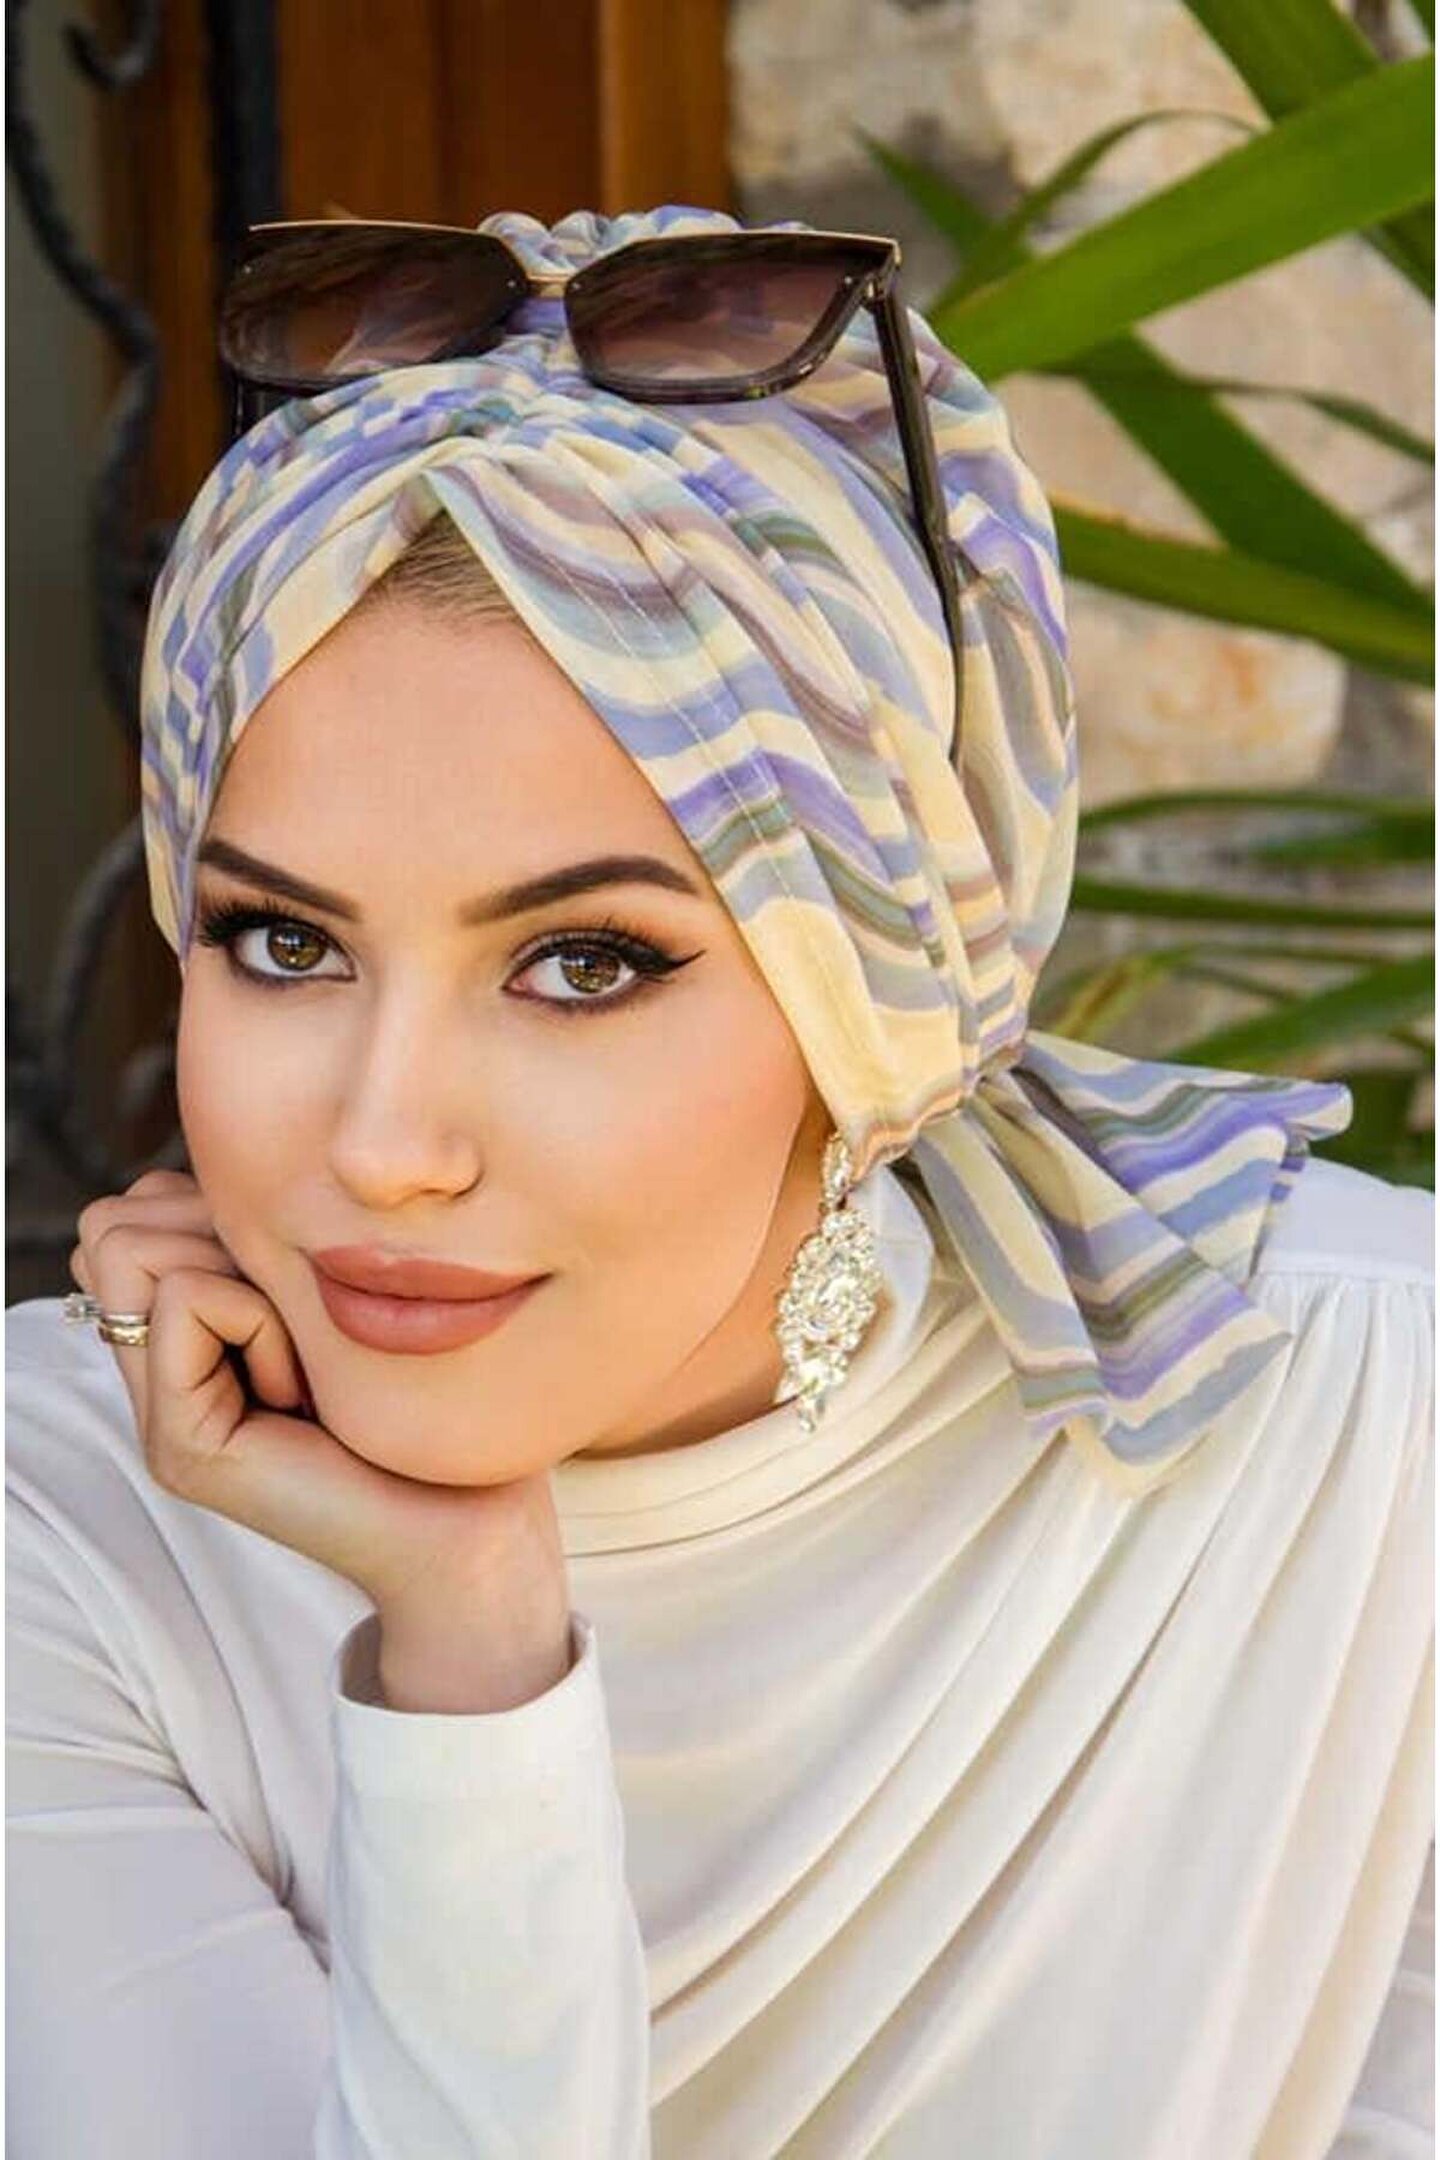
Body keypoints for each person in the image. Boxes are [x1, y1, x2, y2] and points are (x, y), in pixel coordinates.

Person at [6, 203, 1432, 2159]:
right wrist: (469, 1635)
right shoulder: (59, 1526)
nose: (384, 1147)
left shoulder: (1357, 1426)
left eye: (584, 965)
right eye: (283, 942)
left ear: (891, 996)